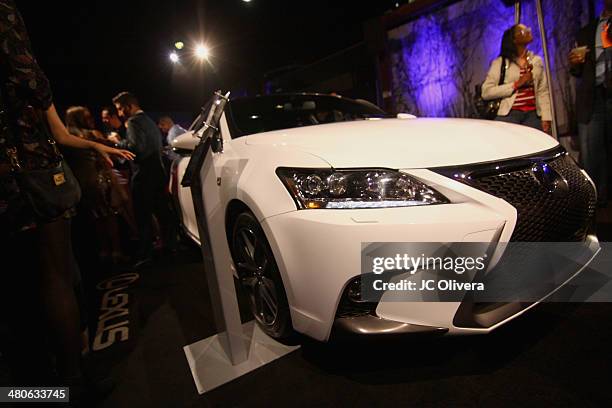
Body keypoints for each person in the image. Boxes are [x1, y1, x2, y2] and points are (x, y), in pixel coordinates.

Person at [0, 0, 133, 390]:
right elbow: (49, 116)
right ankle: (72, 383)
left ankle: (29, 393)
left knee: (13, 295)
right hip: (29, 176)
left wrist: (96, 147)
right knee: (56, 278)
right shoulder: (5, 17)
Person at [108, 92, 175, 267]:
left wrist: (117, 142)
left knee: (143, 217)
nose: (120, 114)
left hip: (144, 176)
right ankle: (170, 246)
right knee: (162, 213)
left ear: (129, 106)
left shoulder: (133, 122)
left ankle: (146, 254)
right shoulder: (149, 121)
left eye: (120, 109)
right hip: (158, 174)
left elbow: (136, 149)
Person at [64, 106, 124, 263]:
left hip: (80, 182)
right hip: (99, 179)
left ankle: (104, 251)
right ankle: (116, 251)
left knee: (96, 217)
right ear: (79, 119)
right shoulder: (92, 135)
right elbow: (110, 155)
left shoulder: (67, 137)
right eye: (87, 117)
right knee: (109, 216)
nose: (91, 120)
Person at [569, 0, 612, 207]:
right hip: (592, 96)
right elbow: (577, 72)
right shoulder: (588, 30)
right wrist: (575, 64)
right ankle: (597, 200)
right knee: (592, 151)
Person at [482, 24, 552, 132]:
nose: (528, 31)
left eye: (528, 29)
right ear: (514, 40)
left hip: (533, 116)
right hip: (509, 115)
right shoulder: (501, 63)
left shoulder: (536, 60)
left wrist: (546, 117)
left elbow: (542, 91)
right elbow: (486, 92)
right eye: (523, 31)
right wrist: (516, 84)